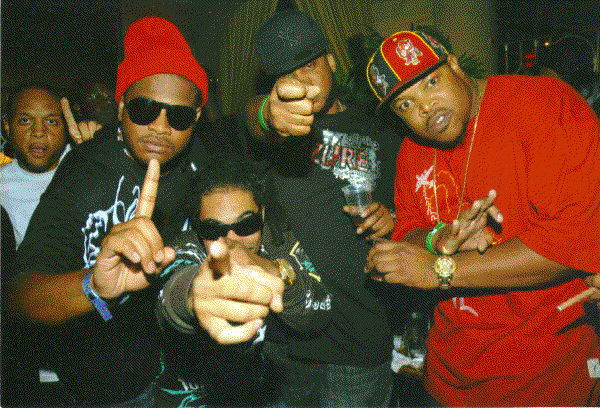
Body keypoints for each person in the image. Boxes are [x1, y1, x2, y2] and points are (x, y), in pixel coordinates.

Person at [5, 16, 283, 406]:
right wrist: (94, 288)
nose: (161, 127)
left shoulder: (199, 156)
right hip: (107, 385)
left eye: (179, 116)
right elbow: (18, 297)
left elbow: (249, 123)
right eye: (144, 109)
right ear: (121, 106)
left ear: (196, 119)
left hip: (181, 369)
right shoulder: (85, 172)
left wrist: (269, 114)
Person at [365, 31, 600, 406]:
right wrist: (436, 240)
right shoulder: (411, 150)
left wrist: (442, 270)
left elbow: (572, 244)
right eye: (404, 104)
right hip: (446, 377)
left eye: (431, 82)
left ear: (455, 64)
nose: (425, 107)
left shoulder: (543, 104)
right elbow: (408, 233)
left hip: (545, 378)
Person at [242, 9, 410, 407]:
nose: (300, 81)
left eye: (309, 65)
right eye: (285, 75)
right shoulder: (277, 129)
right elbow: (254, 120)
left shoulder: (380, 131)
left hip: (358, 341)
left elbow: (410, 214)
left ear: (331, 62)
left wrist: (392, 218)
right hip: (285, 338)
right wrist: (268, 114)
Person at [154, 153, 332, 406]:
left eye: (246, 225)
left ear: (262, 214)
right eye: (213, 230)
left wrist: (275, 271)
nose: (232, 241)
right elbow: (171, 294)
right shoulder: (186, 250)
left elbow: (320, 313)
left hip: (254, 393)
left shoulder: (278, 244)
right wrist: (193, 296)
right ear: (198, 228)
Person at [0, 83, 71, 248]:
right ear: (7, 126)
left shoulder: (86, 166)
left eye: (51, 121)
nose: (38, 132)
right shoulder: (2, 184)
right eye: (25, 120)